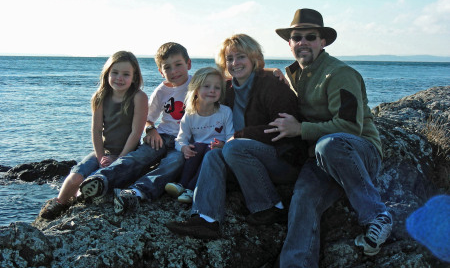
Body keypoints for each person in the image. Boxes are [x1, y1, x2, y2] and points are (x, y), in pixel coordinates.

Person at [267, 8, 392, 268]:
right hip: (320, 159)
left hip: (357, 152)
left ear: (322, 41)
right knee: (303, 197)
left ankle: (377, 216)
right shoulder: (294, 76)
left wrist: (300, 129)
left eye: (310, 36)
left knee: (329, 144)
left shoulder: (340, 74)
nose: (302, 42)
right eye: (296, 37)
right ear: (289, 44)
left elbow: (350, 126)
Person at [166, 34, 306, 239]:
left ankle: (271, 206)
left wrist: (238, 136)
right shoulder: (228, 89)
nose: (234, 63)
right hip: (244, 158)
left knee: (232, 147)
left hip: (283, 159)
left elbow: (281, 130)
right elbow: (205, 84)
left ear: (253, 58)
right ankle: (206, 219)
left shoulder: (273, 86)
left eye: (240, 57)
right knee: (213, 154)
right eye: (229, 59)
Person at [78, 42, 190, 215]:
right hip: (162, 136)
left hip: (183, 141)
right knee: (137, 157)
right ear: (161, 72)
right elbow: (148, 120)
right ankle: (101, 179)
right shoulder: (161, 91)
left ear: (188, 64)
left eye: (178, 65)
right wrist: (150, 130)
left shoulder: (197, 85)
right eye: (167, 67)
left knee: (173, 163)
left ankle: (136, 192)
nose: (173, 71)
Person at [39, 51, 148, 220]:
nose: (119, 78)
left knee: (95, 181)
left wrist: (119, 158)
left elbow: (136, 132)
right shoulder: (100, 97)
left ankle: (81, 196)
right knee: (75, 177)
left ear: (134, 78)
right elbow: (96, 131)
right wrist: (101, 157)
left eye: (126, 74)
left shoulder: (138, 97)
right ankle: (59, 202)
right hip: (103, 151)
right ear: (107, 74)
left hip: (128, 154)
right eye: (115, 73)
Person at [165, 67, 234, 204]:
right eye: (207, 86)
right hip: (198, 152)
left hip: (216, 152)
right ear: (196, 90)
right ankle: (182, 184)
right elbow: (180, 139)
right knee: (197, 147)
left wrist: (224, 145)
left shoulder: (225, 112)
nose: (212, 90)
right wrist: (184, 148)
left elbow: (231, 136)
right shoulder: (190, 115)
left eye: (217, 87)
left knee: (208, 151)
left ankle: (191, 189)